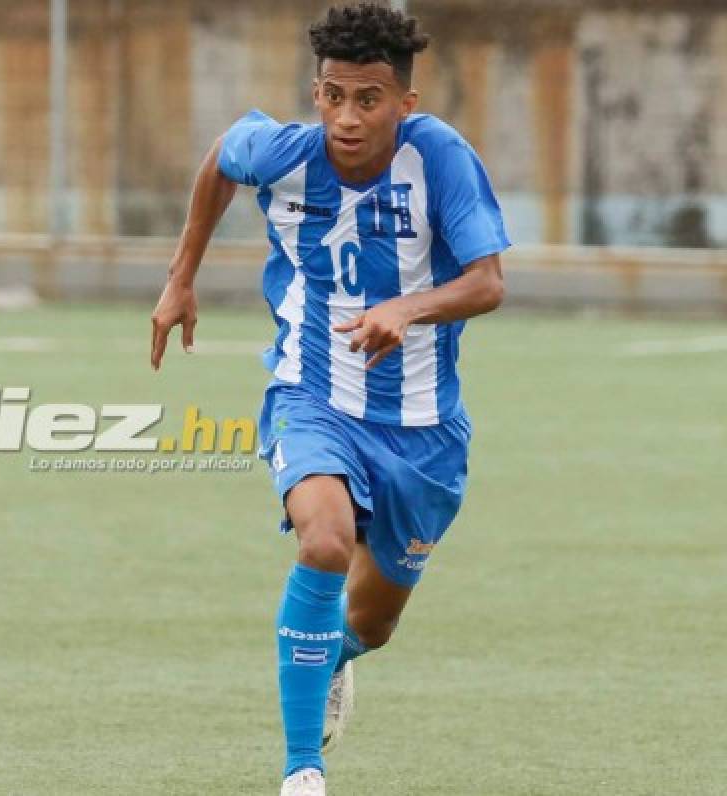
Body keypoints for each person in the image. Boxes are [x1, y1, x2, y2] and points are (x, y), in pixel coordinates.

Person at [149, 4, 508, 793]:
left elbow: (487, 282)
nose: (348, 117)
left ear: (404, 104)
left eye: (369, 100)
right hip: (312, 393)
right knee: (322, 543)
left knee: (372, 624)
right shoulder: (283, 151)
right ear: (316, 92)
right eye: (333, 95)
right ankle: (301, 768)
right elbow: (221, 155)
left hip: (423, 428)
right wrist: (181, 277)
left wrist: (403, 310)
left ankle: (330, 656)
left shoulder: (439, 158)